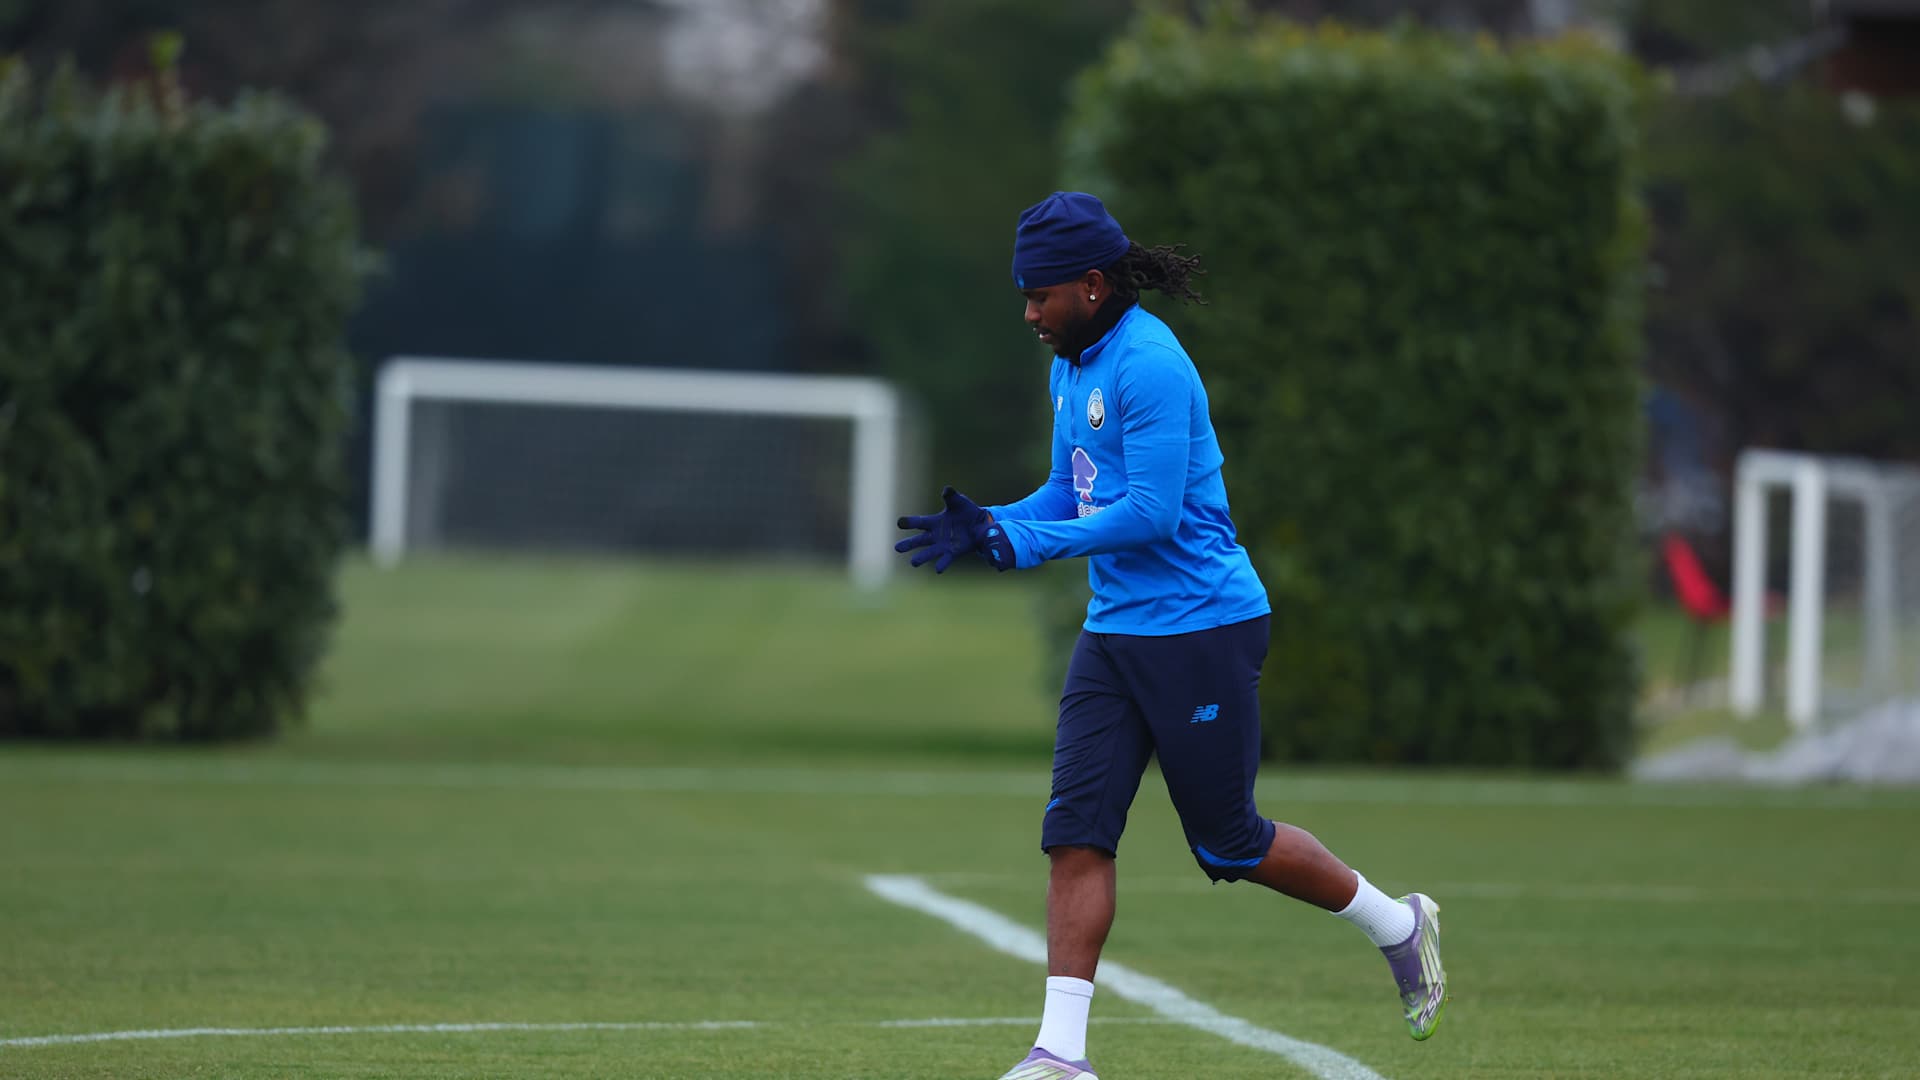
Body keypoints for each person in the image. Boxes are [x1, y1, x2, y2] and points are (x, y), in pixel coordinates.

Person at [894, 192, 1448, 1080]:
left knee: (1229, 843)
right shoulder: (1071, 364)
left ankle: (1397, 924)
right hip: (1115, 635)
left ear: (1092, 285)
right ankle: (1060, 1055)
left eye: (1040, 296)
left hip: (1203, 629)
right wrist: (994, 520)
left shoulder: (1149, 364)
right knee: (1076, 831)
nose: (1030, 314)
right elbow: (1071, 490)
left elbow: (1150, 513)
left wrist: (1024, 543)